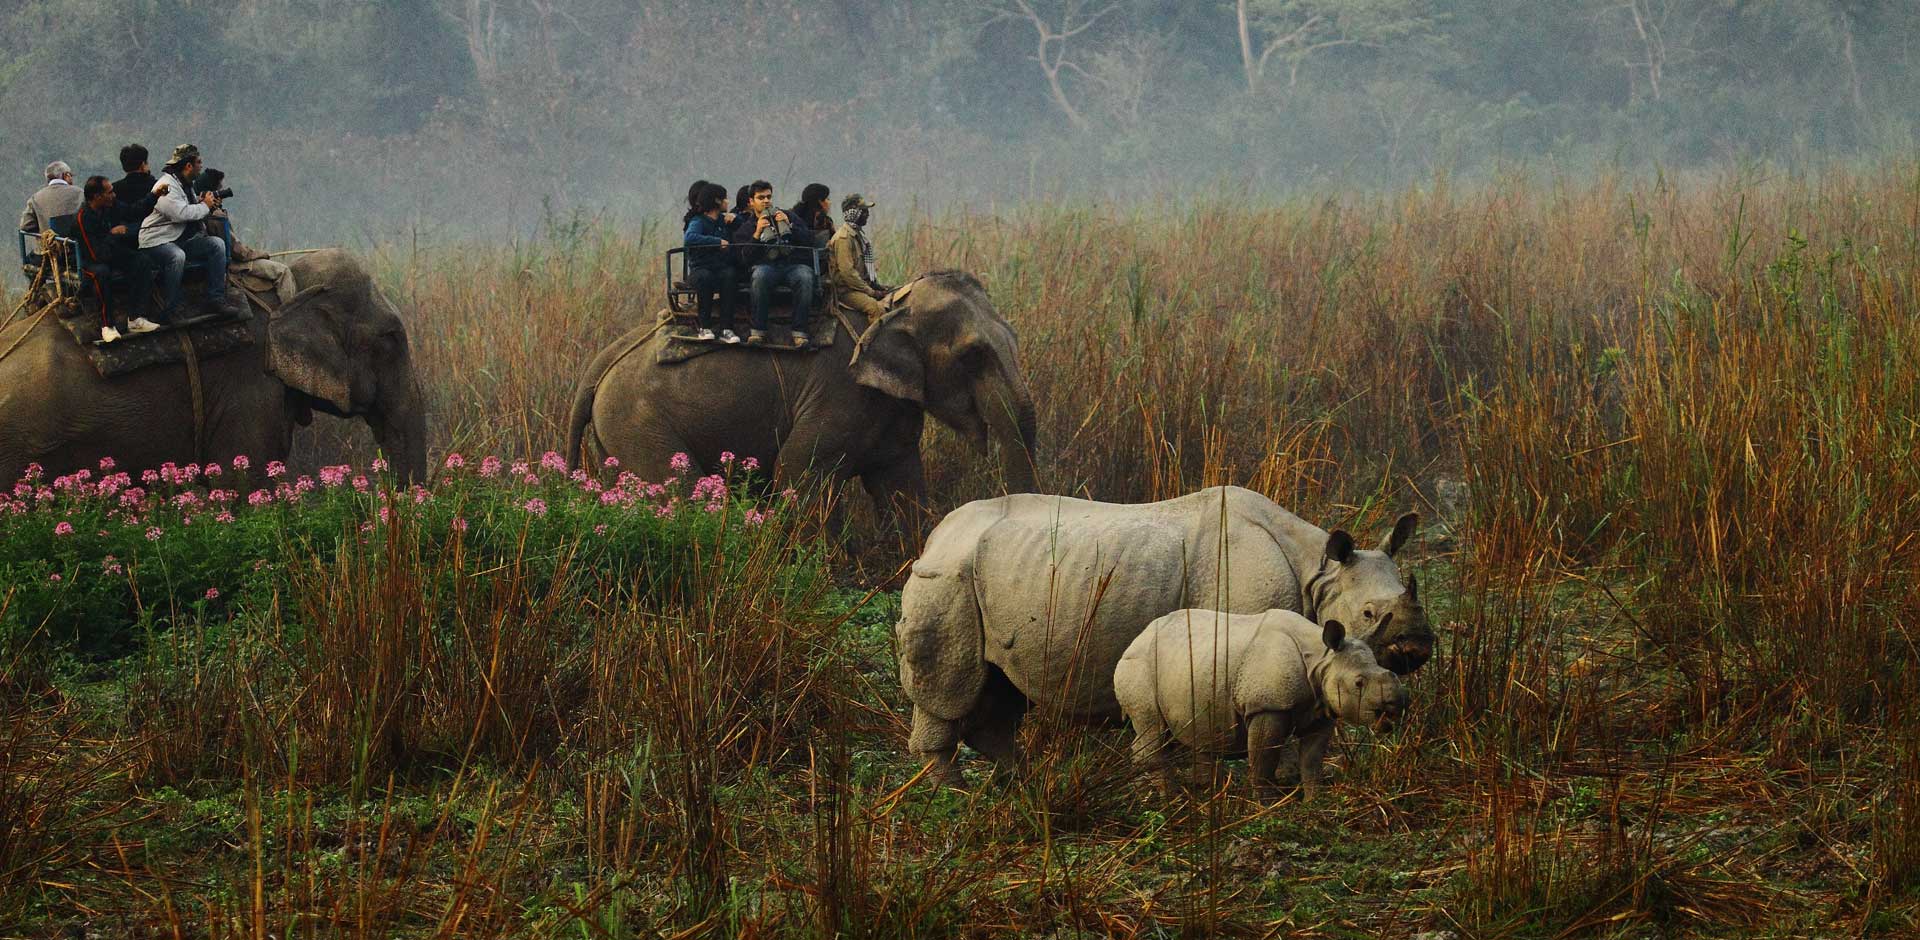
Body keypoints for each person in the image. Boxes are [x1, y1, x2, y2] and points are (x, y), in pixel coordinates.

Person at [139, 144, 241, 323]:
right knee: (177, 256)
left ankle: (216, 299)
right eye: (198, 162)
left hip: (180, 238)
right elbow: (180, 214)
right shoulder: (166, 186)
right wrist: (205, 206)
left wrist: (205, 205)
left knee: (217, 245)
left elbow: (191, 210)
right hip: (157, 241)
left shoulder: (186, 185)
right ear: (188, 166)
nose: (201, 166)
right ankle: (170, 309)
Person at [730, 180, 816, 347]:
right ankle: (758, 332)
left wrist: (790, 226)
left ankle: (800, 333)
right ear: (751, 201)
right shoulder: (747, 227)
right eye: (760, 197)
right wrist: (757, 234)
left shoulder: (787, 215)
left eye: (768, 197)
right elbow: (743, 258)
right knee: (760, 276)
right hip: (766, 267)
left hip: (792, 265)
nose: (766, 201)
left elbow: (809, 240)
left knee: (805, 276)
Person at [73, 176, 158, 342]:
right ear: (98, 196)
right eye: (110, 192)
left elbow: (134, 210)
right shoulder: (83, 219)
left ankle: (135, 317)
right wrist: (113, 235)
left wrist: (154, 195)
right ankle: (107, 325)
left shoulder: (110, 206)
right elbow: (96, 255)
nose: (114, 195)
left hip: (109, 251)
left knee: (142, 261)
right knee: (102, 273)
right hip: (89, 259)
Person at [682, 180, 742, 344]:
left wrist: (736, 220)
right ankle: (704, 327)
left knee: (730, 275)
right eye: (724, 199)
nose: (727, 202)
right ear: (717, 201)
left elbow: (745, 227)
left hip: (720, 267)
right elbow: (689, 238)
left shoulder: (724, 220)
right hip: (700, 269)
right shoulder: (698, 221)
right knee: (705, 278)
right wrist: (716, 242)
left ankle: (726, 328)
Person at [827, 193, 893, 325]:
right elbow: (848, 273)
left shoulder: (858, 235)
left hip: (859, 287)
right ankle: (873, 344)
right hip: (846, 291)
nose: (867, 214)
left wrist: (877, 286)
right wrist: (871, 292)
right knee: (875, 308)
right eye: (863, 211)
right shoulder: (843, 238)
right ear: (853, 213)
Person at [18, 161, 83, 257]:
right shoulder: (80, 193)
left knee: (30, 257)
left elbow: (25, 226)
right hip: (75, 253)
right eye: (71, 176)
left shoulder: (35, 198)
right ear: (66, 175)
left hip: (47, 253)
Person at [113, 144, 159, 230]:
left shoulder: (113, 190)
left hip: (124, 237)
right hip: (153, 235)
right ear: (142, 165)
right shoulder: (156, 187)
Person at [790, 182, 833, 247]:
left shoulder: (792, 218)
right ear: (820, 201)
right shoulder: (825, 222)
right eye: (828, 199)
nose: (830, 202)